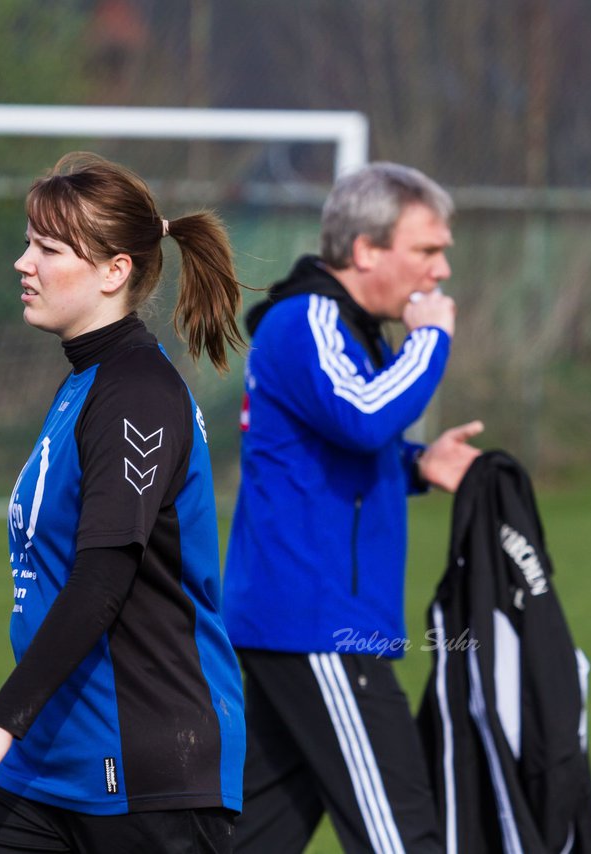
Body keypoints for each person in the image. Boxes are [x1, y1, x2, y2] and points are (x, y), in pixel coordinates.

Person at [0, 152, 247, 853]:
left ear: (115, 272)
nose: (24, 263)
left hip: (148, 766)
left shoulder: (135, 393)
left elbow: (102, 580)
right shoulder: (85, 385)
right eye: (28, 242)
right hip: (54, 757)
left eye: (48, 249)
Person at [221, 162, 484, 853]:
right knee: (402, 834)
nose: (441, 271)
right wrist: (431, 340)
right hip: (319, 626)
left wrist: (418, 463)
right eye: (427, 250)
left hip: (303, 622)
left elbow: (328, 451)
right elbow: (364, 417)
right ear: (366, 250)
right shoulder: (308, 318)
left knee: (255, 835)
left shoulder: (340, 325)